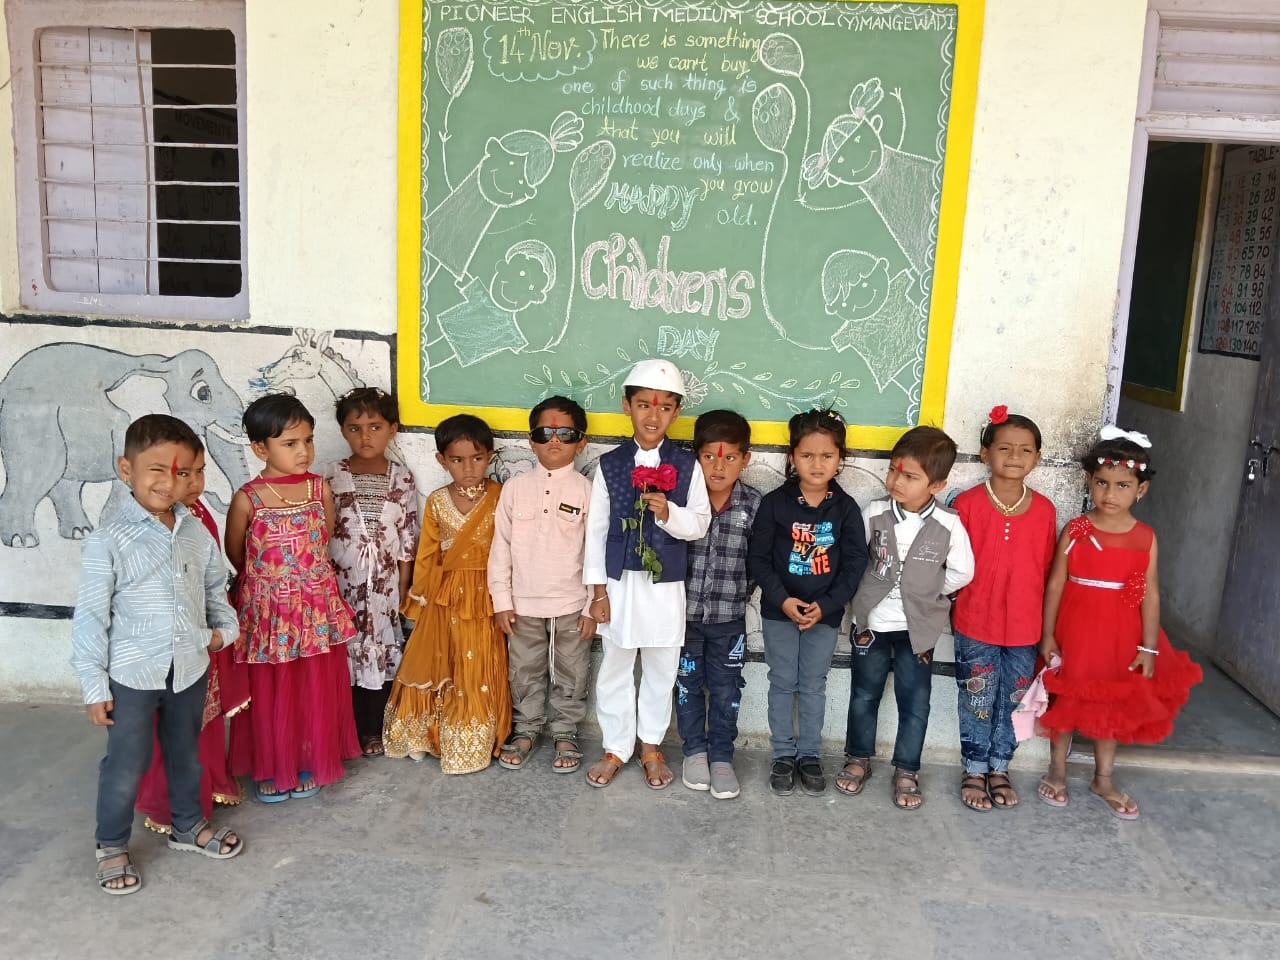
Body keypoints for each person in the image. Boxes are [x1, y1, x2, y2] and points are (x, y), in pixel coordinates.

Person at [71, 414, 243, 896]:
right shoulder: (108, 541)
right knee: (128, 761)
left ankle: (187, 826)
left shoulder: (196, 533)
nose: (170, 483)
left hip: (188, 668)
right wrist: (94, 686)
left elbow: (215, 590)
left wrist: (222, 633)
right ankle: (111, 844)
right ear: (126, 469)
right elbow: (90, 618)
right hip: (132, 674)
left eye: (183, 471)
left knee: (186, 751)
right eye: (157, 470)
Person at [1037, 428, 1202, 819]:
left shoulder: (1145, 537)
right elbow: (1056, 582)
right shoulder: (1076, 529)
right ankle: (1057, 771)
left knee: (1111, 701)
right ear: (1089, 481)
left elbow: (1151, 594)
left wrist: (1148, 647)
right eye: (1102, 483)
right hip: (1076, 629)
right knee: (1068, 697)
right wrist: (1047, 634)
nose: (1110, 494)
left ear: (1140, 490)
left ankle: (1104, 778)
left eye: (1122, 485)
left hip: (1121, 634)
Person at [225, 394, 360, 802]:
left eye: (308, 440)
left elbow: (324, 537)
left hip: (314, 606)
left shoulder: (319, 490)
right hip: (269, 613)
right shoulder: (248, 498)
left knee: (311, 686)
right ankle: (272, 764)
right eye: (290, 443)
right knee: (272, 689)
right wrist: (273, 583)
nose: (303, 451)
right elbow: (237, 553)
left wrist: (304, 582)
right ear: (259, 449)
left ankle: (307, 757)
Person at [583, 359, 711, 789]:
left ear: (676, 413)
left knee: (661, 666)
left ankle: (651, 745)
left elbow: (700, 523)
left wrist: (669, 512)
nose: (653, 416)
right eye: (643, 405)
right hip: (619, 584)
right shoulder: (610, 465)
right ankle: (616, 746)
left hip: (665, 585)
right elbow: (597, 531)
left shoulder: (687, 465)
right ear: (627, 407)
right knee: (616, 665)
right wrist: (597, 593)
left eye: (664, 407)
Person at [841, 426, 974, 810]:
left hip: (919, 629)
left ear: (937, 485)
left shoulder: (949, 523)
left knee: (915, 701)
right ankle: (858, 758)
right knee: (864, 694)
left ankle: (907, 769)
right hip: (873, 623)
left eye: (910, 476)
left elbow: (963, 571)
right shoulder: (875, 512)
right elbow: (856, 557)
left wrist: (928, 591)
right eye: (893, 471)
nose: (897, 481)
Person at [749, 408, 867, 797]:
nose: (817, 464)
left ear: (840, 458)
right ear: (792, 457)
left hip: (824, 615)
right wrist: (782, 600)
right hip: (779, 612)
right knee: (782, 682)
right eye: (807, 455)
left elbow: (854, 564)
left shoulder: (845, 508)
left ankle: (810, 755)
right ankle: (783, 754)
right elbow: (759, 559)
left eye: (827, 455)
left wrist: (828, 605)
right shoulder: (775, 504)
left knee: (814, 685)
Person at [384, 414, 511, 773]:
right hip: (446, 595)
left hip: (487, 595)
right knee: (445, 659)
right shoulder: (438, 502)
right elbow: (427, 555)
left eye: (477, 458)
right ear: (442, 460)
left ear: (490, 456)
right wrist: (419, 600)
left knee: (478, 663)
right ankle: (425, 733)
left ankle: (471, 738)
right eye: (457, 460)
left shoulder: (501, 496)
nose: (468, 468)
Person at [135, 445, 251, 832]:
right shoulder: (142, 527)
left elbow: (213, 579)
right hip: (162, 644)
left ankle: (210, 782)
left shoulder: (198, 515)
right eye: (183, 473)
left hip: (203, 637)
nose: (195, 483)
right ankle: (168, 803)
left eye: (199, 471)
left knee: (204, 713)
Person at [950, 406, 1057, 811]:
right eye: (1004, 448)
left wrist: (1049, 630)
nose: (1015, 456)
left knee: (1014, 697)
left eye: (1025, 450)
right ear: (984, 453)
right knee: (977, 697)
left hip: (1025, 627)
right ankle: (974, 768)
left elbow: (1047, 571)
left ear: (1037, 458)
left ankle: (1000, 767)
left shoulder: (1045, 510)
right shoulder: (967, 504)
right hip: (976, 621)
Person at [490, 397, 596, 774]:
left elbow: (595, 551)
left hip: (571, 603)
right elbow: (500, 547)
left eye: (564, 433)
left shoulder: (586, 491)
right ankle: (527, 729)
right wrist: (502, 600)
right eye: (544, 433)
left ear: (581, 442)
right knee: (524, 670)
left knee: (573, 670)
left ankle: (565, 731)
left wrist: (591, 606)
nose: (554, 440)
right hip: (522, 604)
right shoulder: (514, 488)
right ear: (530, 440)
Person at [324, 388, 419, 758]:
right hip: (340, 586)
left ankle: (373, 728)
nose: (365, 436)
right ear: (343, 431)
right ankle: (344, 729)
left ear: (392, 429)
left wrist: (405, 585)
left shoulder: (402, 478)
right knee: (344, 650)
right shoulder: (330, 476)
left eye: (375, 427)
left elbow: (408, 535)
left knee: (379, 650)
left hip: (384, 589)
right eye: (355, 428)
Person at [677, 409, 762, 800]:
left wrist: (741, 592)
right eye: (709, 456)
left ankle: (722, 756)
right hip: (683, 618)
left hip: (729, 620)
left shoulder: (753, 505)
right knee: (688, 684)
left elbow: (758, 561)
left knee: (727, 689)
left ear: (745, 459)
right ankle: (694, 751)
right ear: (696, 456)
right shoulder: (682, 501)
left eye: (729, 457)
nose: (718, 466)